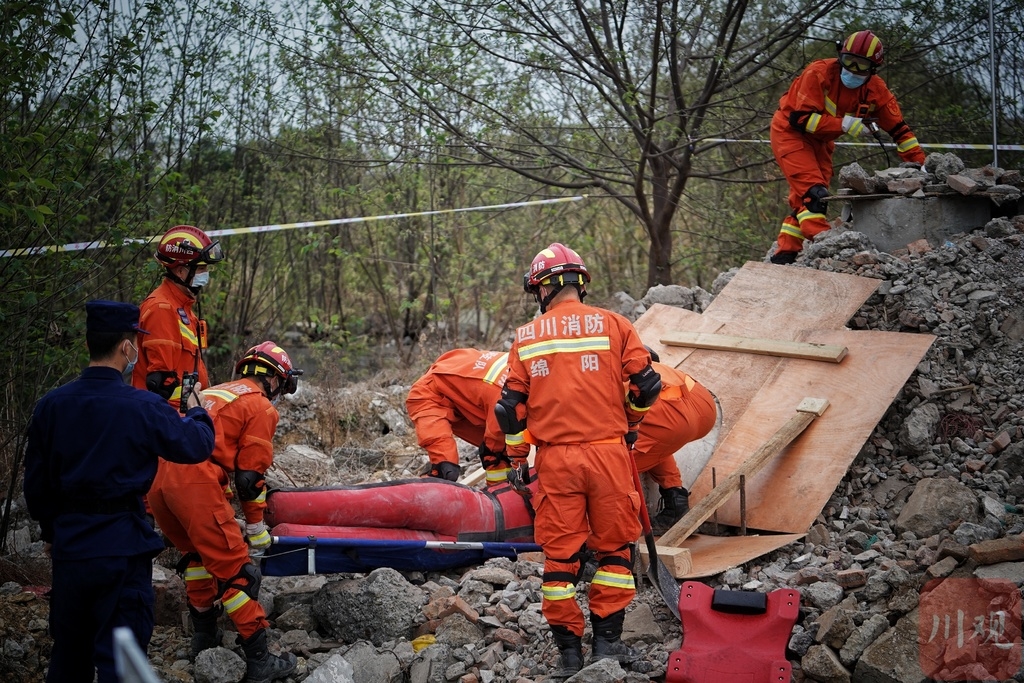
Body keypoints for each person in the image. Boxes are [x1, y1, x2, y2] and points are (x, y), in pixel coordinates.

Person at [23, 300, 215, 683]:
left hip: (71, 549)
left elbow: (36, 483)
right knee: (122, 660)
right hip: (122, 550)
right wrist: (198, 410)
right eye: (136, 345)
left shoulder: (51, 405)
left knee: (69, 656)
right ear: (128, 348)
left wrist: (50, 532)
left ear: (89, 344)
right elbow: (196, 446)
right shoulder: (142, 406)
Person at [495, 243, 661, 676]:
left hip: (556, 462)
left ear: (543, 288)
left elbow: (509, 407)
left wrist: (516, 457)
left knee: (561, 557)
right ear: (580, 283)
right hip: (609, 456)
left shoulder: (526, 337)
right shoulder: (615, 324)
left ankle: (569, 657)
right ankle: (607, 649)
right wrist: (630, 422)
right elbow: (646, 383)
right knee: (615, 551)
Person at [147, 342, 302, 683]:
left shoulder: (213, 392)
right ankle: (259, 659)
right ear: (275, 379)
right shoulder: (260, 406)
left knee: (198, 559)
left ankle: (203, 640)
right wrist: (256, 525)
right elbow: (249, 478)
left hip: (159, 480)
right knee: (239, 573)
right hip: (194, 482)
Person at [769, 30, 926, 264]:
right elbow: (799, 119)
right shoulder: (818, 73)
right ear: (840, 55)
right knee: (814, 194)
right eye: (848, 61)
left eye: (861, 65)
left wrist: (921, 165)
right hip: (790, 134)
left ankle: (785, 254)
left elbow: (900, 130)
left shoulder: (876, 91)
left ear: (873, 68)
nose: (853, 70)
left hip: (822, 140)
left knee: (806, 197)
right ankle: (825, 243)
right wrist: (844, 123)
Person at [132, 224, 224, 407]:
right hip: (167, 418)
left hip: (183, 414)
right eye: (200, 269)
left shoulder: (182, 307)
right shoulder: (162, 309)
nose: (205, 274)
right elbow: (161, 384)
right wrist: (193, 410)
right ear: (181, 271)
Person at [635, 356, 718, 535]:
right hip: (703, 402)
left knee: (610, 464)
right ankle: (676, 502)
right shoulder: (632, 356)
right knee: (654, 442)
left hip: (666, 414)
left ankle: (613, 530)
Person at [406, 348, 513, 486]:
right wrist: (499, 491)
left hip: (462, 382)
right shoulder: (507, 398)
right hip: (429, 394)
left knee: (511, 446)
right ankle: (419, 499)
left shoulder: (536, 376)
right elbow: (494, 449)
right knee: (445, 470)